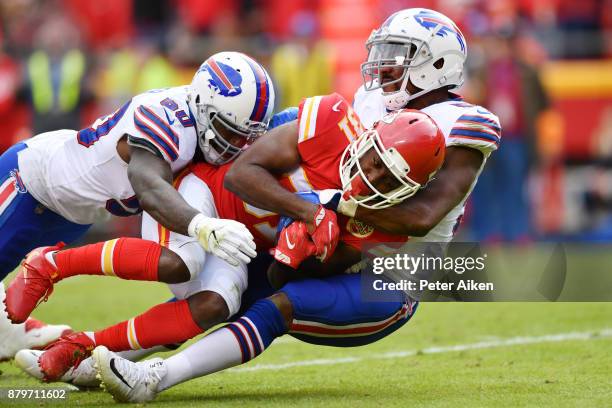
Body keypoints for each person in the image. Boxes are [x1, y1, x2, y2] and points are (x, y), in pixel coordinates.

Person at [91, 8, 501, 403]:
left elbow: (423, 218)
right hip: (330, 243)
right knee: (214, 299)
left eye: (398, 54)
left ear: (435, 64)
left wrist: (331, 204)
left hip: (390, 276)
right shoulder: (372, 102)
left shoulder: (462, 124)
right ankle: (83, 356)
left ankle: (158, 378)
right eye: (384, 51)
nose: (383, 64)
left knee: (277, 308)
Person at [16, 94, 444, 385]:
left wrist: (292, 254)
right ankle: (52, 264)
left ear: (407, 190)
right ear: (368, 137)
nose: (372, 174)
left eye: (390, 178)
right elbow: (241, 175)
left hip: (240, 242)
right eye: (374, 160)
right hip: (204, 194)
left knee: (213, 304)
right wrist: (309, 211)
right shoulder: (330, 122)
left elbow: (280, 279)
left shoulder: (381, 224)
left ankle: (83, 347)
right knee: (180, 262)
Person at [0, 51, 275, 360]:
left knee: (183, 264)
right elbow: (148, 184)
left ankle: (6, 334)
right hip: (31, 181)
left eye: (245, 137)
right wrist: (203, 225)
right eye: (229, 131)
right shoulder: (165, 117)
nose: (236, 145)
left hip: (75, 213)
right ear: (202, 106)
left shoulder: (201, 123)